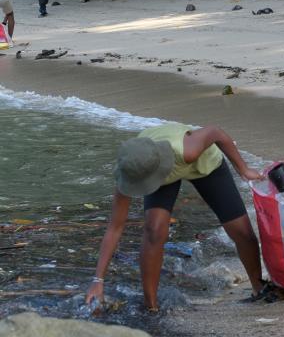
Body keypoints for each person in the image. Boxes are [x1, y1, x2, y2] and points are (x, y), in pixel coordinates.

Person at [85, 123, 271, 311]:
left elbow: (216, 132)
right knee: (154, 231)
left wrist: (243, 169)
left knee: (242, 231)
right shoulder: (131, 169)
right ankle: (151, 307)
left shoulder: (187, 150)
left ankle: (258, 288)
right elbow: (115, 227)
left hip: (201, 165)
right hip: (152, 168)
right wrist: (97, 280)